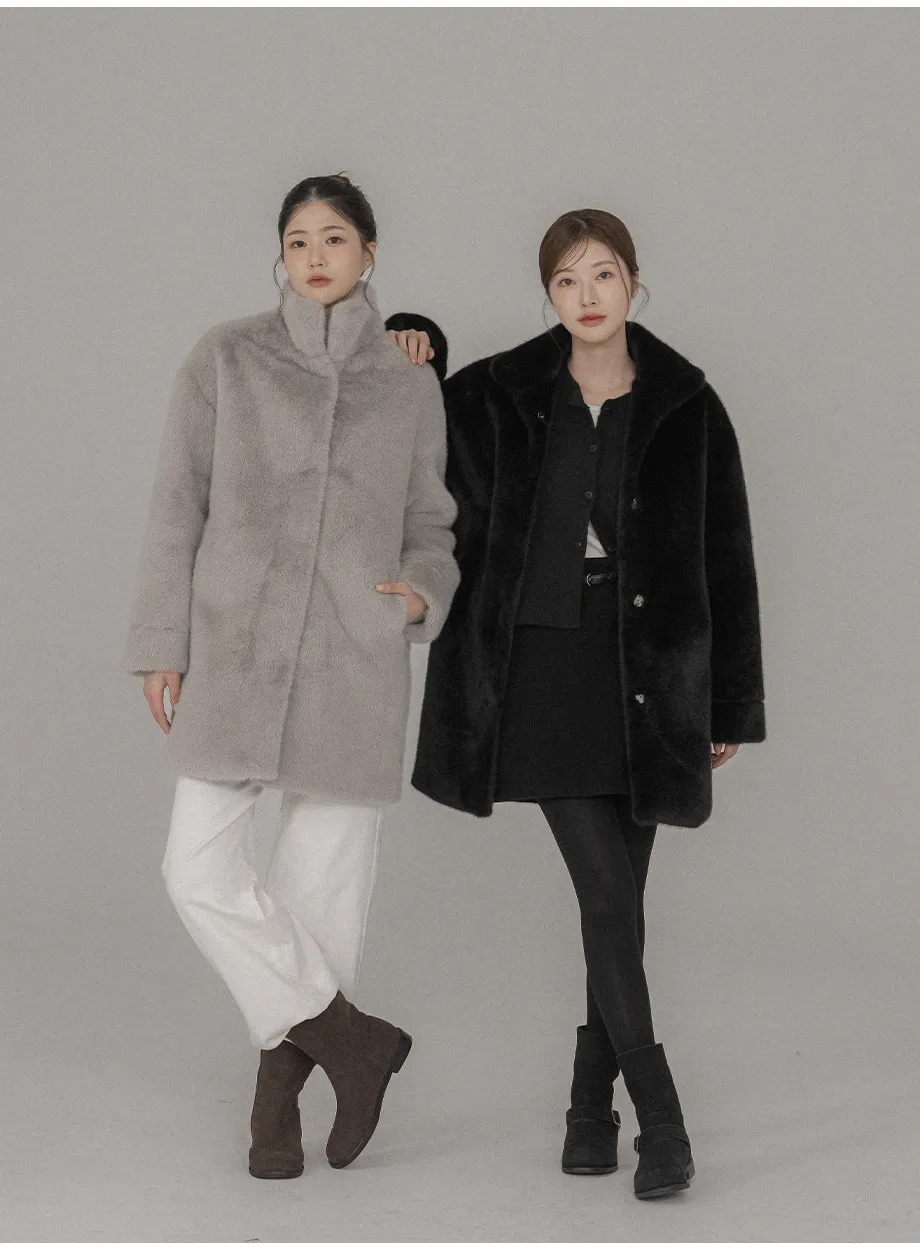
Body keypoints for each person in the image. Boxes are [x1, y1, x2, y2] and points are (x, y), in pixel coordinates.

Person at [385, 208, 766, 1199]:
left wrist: (727, 701)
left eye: (602, 274)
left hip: (649, 672)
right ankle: (665, 1122)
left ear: (634, 281)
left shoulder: (686, 403)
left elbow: (726, 555)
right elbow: (411, 436)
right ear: (547, 294)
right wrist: (418, 341)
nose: (586, 295)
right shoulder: (498, 394)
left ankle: (588, 1109)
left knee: (619, 902)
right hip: (540, 664)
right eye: (565, 279)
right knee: (605, 893)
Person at [120, 172, 460, 1179]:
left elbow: (431, 522)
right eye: (299, 240)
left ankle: (276, 1109)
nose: (315, 256)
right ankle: (356, 1042)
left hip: (355, 658)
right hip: (236, 647)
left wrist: (418, 597)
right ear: (280, 255)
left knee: (324, 889)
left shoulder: (408, 383)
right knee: (195, 868)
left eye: (335, 239)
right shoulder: (226, 358)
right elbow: (175, 504)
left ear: (368, 256)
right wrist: (163, 641)